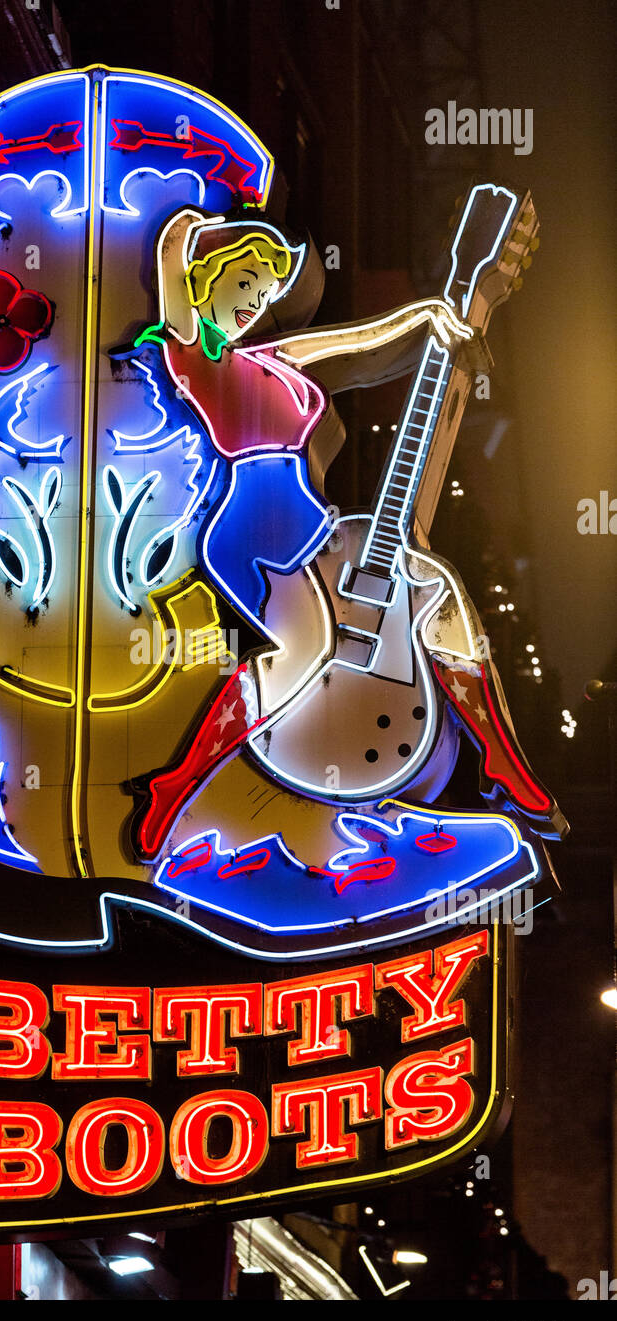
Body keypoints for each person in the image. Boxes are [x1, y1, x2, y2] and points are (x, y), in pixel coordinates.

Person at [129, 207, 562, 860]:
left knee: (433, 590)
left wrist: (425, 317)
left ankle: (503, 765)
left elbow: (360, 342)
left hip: (309, 524)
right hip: (255, 526)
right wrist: (185, 229)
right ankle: (175, 786)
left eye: (262, 293)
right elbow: (168, 264)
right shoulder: (193, 350)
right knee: (302, 648)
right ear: (207, 279)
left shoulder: (272, 358)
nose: (252, 302)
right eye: (244, 284)